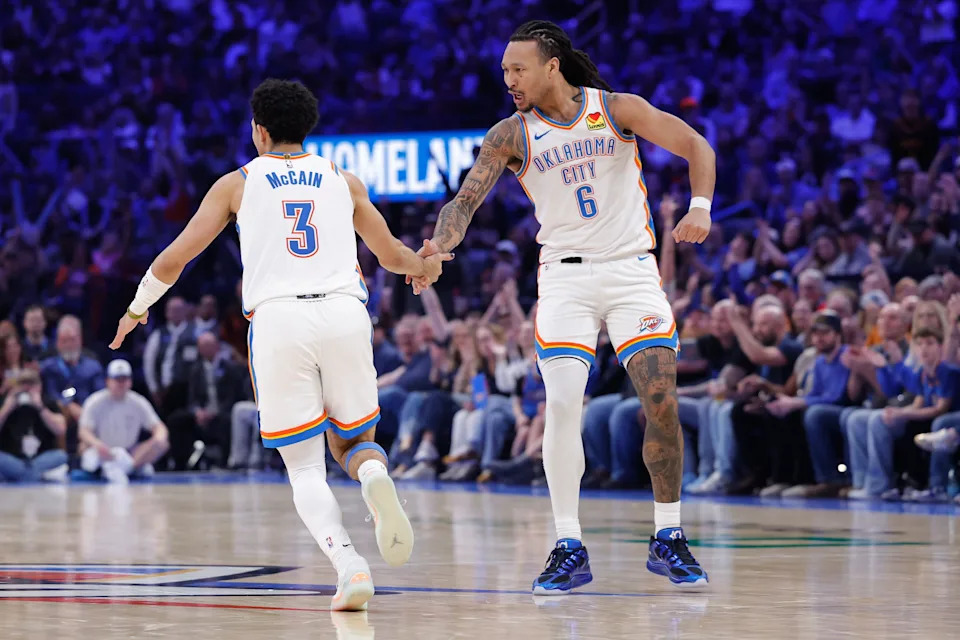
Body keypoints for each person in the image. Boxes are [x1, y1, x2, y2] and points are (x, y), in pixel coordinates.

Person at [107, 79, 450, 611]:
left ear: (259, 131)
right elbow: (391, 256)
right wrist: (425, 266)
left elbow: (173, 259)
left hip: (280, 319)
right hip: (344, 312)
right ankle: (377, 476)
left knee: (305, 468)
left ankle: (349, 566)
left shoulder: (237, 183)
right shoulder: (343, 179)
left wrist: (136, 308)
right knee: (354, 444)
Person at [413, 21, 714, 591]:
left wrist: (699, 205)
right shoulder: (511, 134)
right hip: (565, 281)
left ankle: (669, 535)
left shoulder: (615, 108)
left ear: (551, 65)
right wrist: (438, 245)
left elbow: (696, 143)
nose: (508, 80)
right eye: (504, 71)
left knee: (661, 399)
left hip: (631, 271)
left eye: (517, 69)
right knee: (563, 407)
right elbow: (465, 199)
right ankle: (568, 543)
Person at [78, 359, 170, 484]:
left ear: (130, 381)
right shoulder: (95, 401)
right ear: (108, 381)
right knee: (84, 448)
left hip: (131, 452)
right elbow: (84, 431)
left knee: (162, 444)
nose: (121, 384)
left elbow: (159, 427)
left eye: (124, 379)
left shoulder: (138, 401)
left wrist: (159, 438)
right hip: (104, 450)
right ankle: (117, 468)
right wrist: (98, 445)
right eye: (117, 379)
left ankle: (128, 467)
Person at [0, 368, 68, 483]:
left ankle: (21, 476)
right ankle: (33, 477)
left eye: (31, 384)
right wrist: (7, 408)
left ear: (39, 386)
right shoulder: (7, 403)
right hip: (13, 459)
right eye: (23, 384)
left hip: (41, 458)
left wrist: (40, 407)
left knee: (61, 456)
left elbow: (60, 430)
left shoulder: (48, 403)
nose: (27, 388)